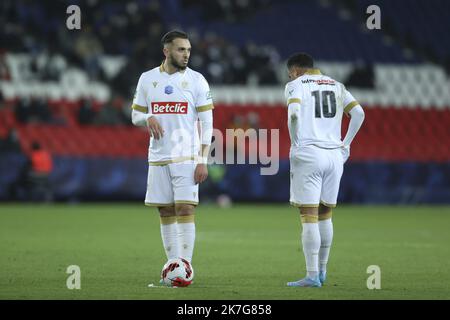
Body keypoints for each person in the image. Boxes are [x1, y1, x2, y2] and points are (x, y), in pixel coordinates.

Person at [131, 30, 214, 285]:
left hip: (187, 156)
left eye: (188, 49)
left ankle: (185, 267)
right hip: (158, 157)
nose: (186, 54)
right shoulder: (147, 79)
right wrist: (148, 117)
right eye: (181, 49)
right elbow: (135, 116)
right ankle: (173, 265)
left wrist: (203, 160)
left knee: (185, 207)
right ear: (166, 51)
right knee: (165, 210)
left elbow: (207, 123)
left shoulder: (197, 80)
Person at [284, 53, 365, 287]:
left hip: (309, 152)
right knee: (325, 214)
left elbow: (294, 113)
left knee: (308, 216)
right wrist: (346, 143)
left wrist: (296, 140)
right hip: (334, 154)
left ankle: (311, 276)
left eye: (290, 74)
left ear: (296, 71)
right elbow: (359, 113)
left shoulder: (295, 85)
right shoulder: (337, 85)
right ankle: (322, 271)